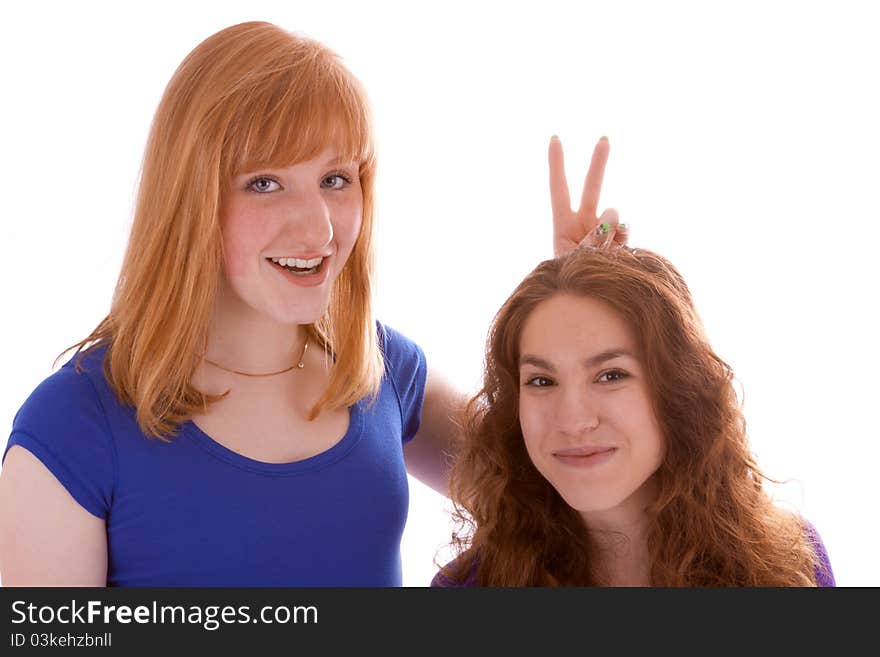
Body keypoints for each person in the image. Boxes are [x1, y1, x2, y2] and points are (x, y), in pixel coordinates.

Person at [0, 22, 623, 586]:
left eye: (336, 180)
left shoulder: (380, 368)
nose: (319, 230)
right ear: (187, 199)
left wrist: (582, 302)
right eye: (264, 183)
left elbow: (561, 496)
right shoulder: (74, 426)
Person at [432, 245, 835, 586]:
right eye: (540, 381)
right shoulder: (466, 585)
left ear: (679, 390)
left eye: (611, 375)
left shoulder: (791, 562)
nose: (573, 421)